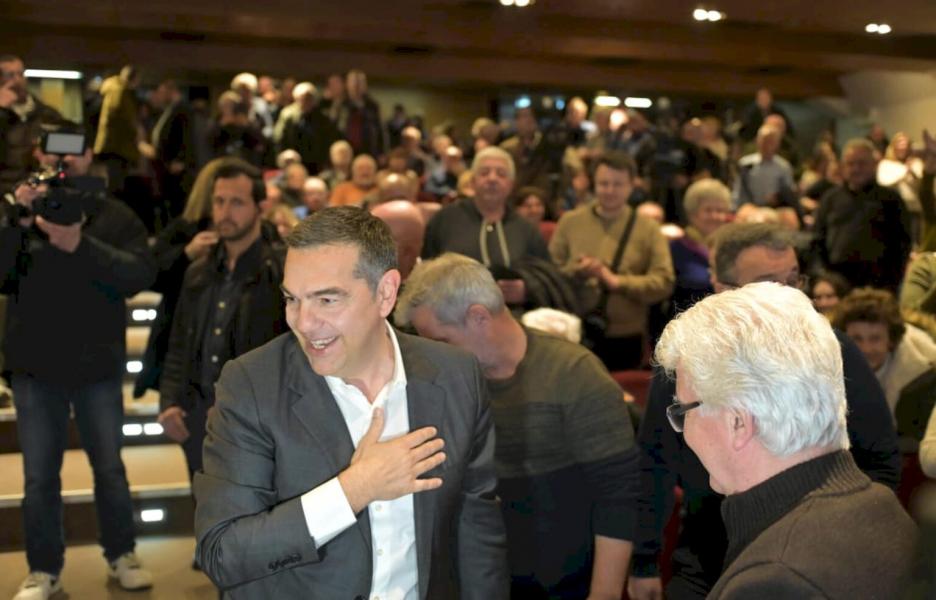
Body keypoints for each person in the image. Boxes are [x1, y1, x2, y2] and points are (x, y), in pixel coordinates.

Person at [193, 206, 508, 598]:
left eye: (327, 300)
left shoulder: (456, 375)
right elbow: (222, 552)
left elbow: (477, 533)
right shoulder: (251, 385)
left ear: (385, 293)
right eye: (292, 299)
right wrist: (354, 489)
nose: (303, 322)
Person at [628, 222, 900, 600]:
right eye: (770, 284)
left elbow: (881, 460)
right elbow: (654, 463)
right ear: (722, 287)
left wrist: (829, 540)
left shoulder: (829, 348)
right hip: (708, 556)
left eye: (793, 280)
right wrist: (644, 560)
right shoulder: (686, 361)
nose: (790, 296)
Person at [396, 253, 639, 599]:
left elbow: (618, 495)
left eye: (442, 342)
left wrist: (605, 594)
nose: (434, 355)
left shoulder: (574, 374)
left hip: (568, 582)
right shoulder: (445, 383)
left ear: (478, 317)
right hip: (486, 580)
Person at [1, 142, 156, 600]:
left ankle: (122, 554)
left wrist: (80, 245)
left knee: (108, 468)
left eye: (73, 152)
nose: (63, 161)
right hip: (34, 364)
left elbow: (138, 274)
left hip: (97, 364)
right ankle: (43, 570)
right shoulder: (21, 211)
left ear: (89, 157)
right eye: (54, 153)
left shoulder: (114, 214)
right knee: (39, 477)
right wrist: (14, 216)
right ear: (38, 156)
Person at [158, 160, 287, 483]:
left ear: (260, 208)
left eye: (237, 202)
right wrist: (170, 401)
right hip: (198, 415)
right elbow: (180, 340)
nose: (225, 212)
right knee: (203, 505)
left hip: (256, 419)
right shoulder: (199, 271)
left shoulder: (279, 270)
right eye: (219, 201)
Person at [549, 151, 674, 370]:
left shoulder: (648, 228)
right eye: (603, 184)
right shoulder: (570, 222)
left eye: (617, 184)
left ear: (631, 186)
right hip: (573, 329)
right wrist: (577, 271)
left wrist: (616, 281)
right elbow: (549, 274)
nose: (609, 191)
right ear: (593, 184)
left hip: (626, 336)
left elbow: (664, 282)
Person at [422, 147, 551, 307]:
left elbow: (547, 278)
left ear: (511, 184)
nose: (492, 179)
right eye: (484, 173)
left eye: (501, 174)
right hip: (453, 314)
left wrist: (528, 290)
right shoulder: (444, 220)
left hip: (514, 315)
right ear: (473, 181)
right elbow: (425, 274)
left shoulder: (526, 229)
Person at [832, 288, 936, 450]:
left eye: (875, 339)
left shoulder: (922, 378)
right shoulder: (830, 363)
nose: (865, 349)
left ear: (891, 340)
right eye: (856, 339)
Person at [812, 138, 912, 292]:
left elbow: (903, 245)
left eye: (862, 163)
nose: (856, 169)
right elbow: (817, 239)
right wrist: (823, 277)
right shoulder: (830, 199)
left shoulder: (892, 200)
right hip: (836, 285)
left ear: (874, 164)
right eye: (850, 164)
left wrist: (892, 283)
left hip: (879, 287)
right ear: (843, 167)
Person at [0, 54, 68, 193]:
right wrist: (2, 111)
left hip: (39, 188)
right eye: (10, 75)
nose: (17, 80)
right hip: (4, 190)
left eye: (20, 74)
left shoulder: (48, 114)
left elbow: (66, 152)